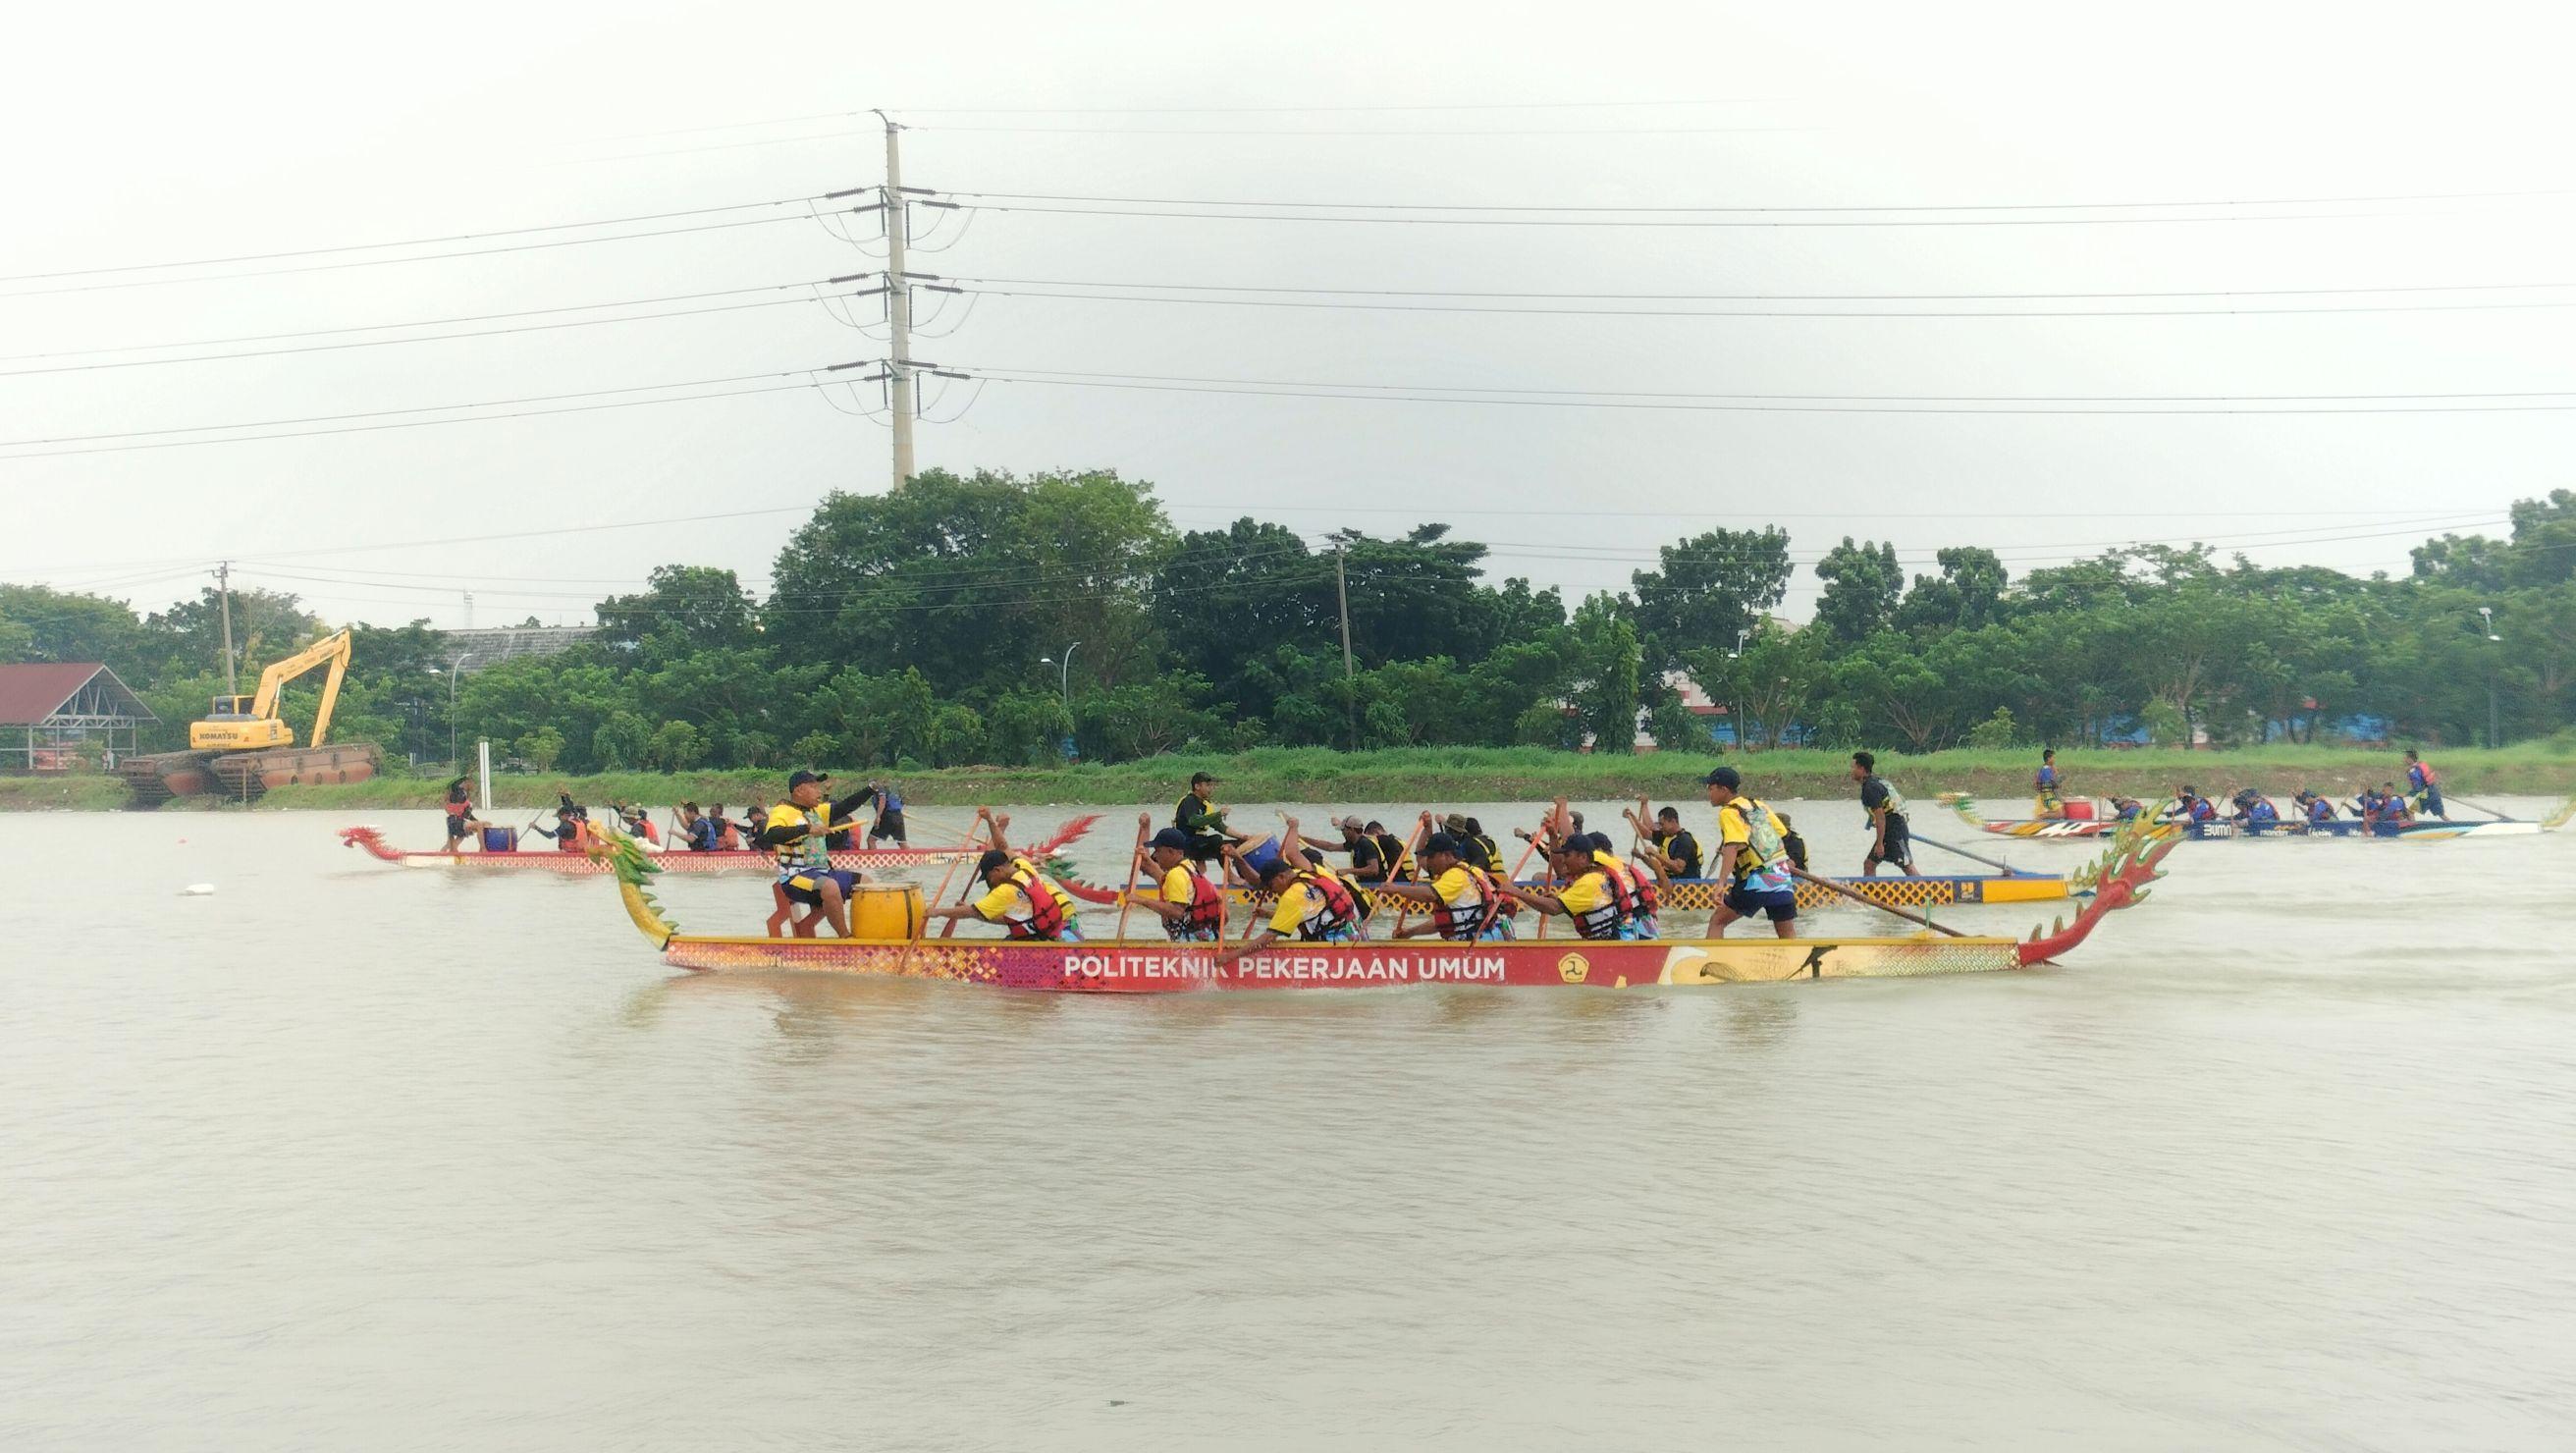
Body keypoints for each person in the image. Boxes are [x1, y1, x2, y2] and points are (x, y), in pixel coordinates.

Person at [1216, 818, 1367, 964]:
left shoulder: (1293, 896)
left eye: (1272, 887)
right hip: (1359, 938)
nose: (1273, 892)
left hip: (1338, 949)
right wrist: (1294, 826)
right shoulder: (1311, 872)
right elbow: (1292, 853)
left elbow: (1268, 938)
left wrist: (1230, 957)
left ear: (1281, 877)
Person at [1498, 807, 1645, 941]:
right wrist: (1553, 836)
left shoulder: (1591, 878)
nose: (1564, 861)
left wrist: (1516, 892)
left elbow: (1554, 908)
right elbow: (1561, 869)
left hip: (1619, 942)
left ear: (1583, 857)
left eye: (1567, 856)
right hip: (1618, 935)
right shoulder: (1592, 867)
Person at [758, 771, 875, 938]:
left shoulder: (817, 811)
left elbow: (844, 806)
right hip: (794, 878)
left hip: (822, 873)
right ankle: (845, 937)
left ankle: (865, 935)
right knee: (830, 886)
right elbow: (772, 835)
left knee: (867, 884)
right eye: (813, 787)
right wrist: (808, 829)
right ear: (799, 790)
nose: (819, 792)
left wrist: (870, 790)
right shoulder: (781, 811)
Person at [931, 815, 1082, 942]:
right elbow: (1002, 846)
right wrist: (992, 821)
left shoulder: (1005, 891)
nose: (990, 884)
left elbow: (972, 912)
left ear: (997, 870)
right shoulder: (1023, 866)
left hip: (1061, 932)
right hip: (1071, 925)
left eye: (989, 878)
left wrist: (936, 912)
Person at [1373, 819, 1513, 941]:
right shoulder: (1471, 870)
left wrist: (1395, 889)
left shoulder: (1455, 876)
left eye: (1431, 857)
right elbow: (1444, 921)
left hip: (1478, 943)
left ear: (1445, 855)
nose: (1429, 862)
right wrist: (1409, 933)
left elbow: (1429, 895)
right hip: (1492, 937)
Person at [1702, 766, 1798, 940]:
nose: (1708, 793)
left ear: (1723, 789)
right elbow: (1781, 833)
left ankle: (1710, 962)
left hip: (1758, 879)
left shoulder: (1728, 812)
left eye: (1711, 788)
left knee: (1717, 920)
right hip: (1781, 874)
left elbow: (1732, 846)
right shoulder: (1758, 805)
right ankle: (1799, 964)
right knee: (1786, 932)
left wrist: (1721, 883)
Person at [1122, 821, 1227, 942]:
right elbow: (1150, 869)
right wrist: (1145, 829)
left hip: (1189, 944)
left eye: (1157, 850)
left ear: (1171, 852)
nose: (1155, 856)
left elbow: (1176, 912)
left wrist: (1139, 899)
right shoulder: (1189, 867)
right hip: (1211, 937)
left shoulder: (1176, 874)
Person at [1851, 751, 1918, 878]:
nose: (1851, 771)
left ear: (1862, 768)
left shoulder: (1870, 788)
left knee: (1906, 865)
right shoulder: (1875, 782)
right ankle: (1869, 896)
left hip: (1894, 831)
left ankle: (1927, 894)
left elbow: (1881, 817)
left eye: (1853, 767)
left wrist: (1880, 844)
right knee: (1869, 864)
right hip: (1888, 830)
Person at [1174, 771, 1244, 869]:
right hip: (1185, 845)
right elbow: (1194, 821)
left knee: (1237, 844)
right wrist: (1219, 814)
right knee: (1216, 840)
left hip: (1197, 843)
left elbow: (1220, 827)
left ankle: (1244, 876)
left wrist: (1244, 837)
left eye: (1211, 785)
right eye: (1207, 785)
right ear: (1197, 786)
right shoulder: (1189, 801)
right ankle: (1230, 876)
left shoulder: (1204, 805)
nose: (1211, 788)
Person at [1633, 805, 1703, 880]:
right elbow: (1645, 834)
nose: (1660, 827)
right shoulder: (1665, 836)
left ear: (1673, 821)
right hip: (1668, 884)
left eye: (1662, 824)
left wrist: (1655, 854)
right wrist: (1641, 857)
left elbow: (1678, 868)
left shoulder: (1684, 840)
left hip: (1687, 885)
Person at [440, 776, 481, 852]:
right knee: (479, 827)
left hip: (454, 820)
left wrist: (475, 820)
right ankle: (483, 849)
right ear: (468, 782)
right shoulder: (458, 793)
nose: (474, 786)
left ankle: (440, 855)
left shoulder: (463, 793)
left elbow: (466, 812)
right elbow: (462, 811)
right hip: (457, 820)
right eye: (473, 784)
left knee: (450, 843)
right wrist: (463, 777)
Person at [2403, 749, 2445, 819]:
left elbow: (2418, 788)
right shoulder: (2420, 765)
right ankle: (2456, 828)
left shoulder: (2413, 771)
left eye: (2405, 758)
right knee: (2442, 815)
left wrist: (2406, 794)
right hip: (2434, 791)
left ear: (2410, 759)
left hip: (2425, 794)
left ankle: (2413, 829)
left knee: (2410, 812)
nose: (2404, 759)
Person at [866, 780, 907, 845]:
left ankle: (874, 855)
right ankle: (911, 855)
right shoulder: (891, 792)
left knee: (871, 840)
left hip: (887, 817)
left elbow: (882, 800)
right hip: (898, 816)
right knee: (901, 842)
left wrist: (878, 817)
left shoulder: (880, 789)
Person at [2034, 749, 2066, 819]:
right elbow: (2052, 783)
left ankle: (2047, 819)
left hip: (2051, 797)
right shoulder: (2046, 769)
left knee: (2062, 811)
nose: (2054, 759)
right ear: (2049, 758)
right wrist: (2058, 779)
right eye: (2053, 757)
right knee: (2060, 814)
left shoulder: (2047, 768)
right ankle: (2041, 817)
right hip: (2048, 799)